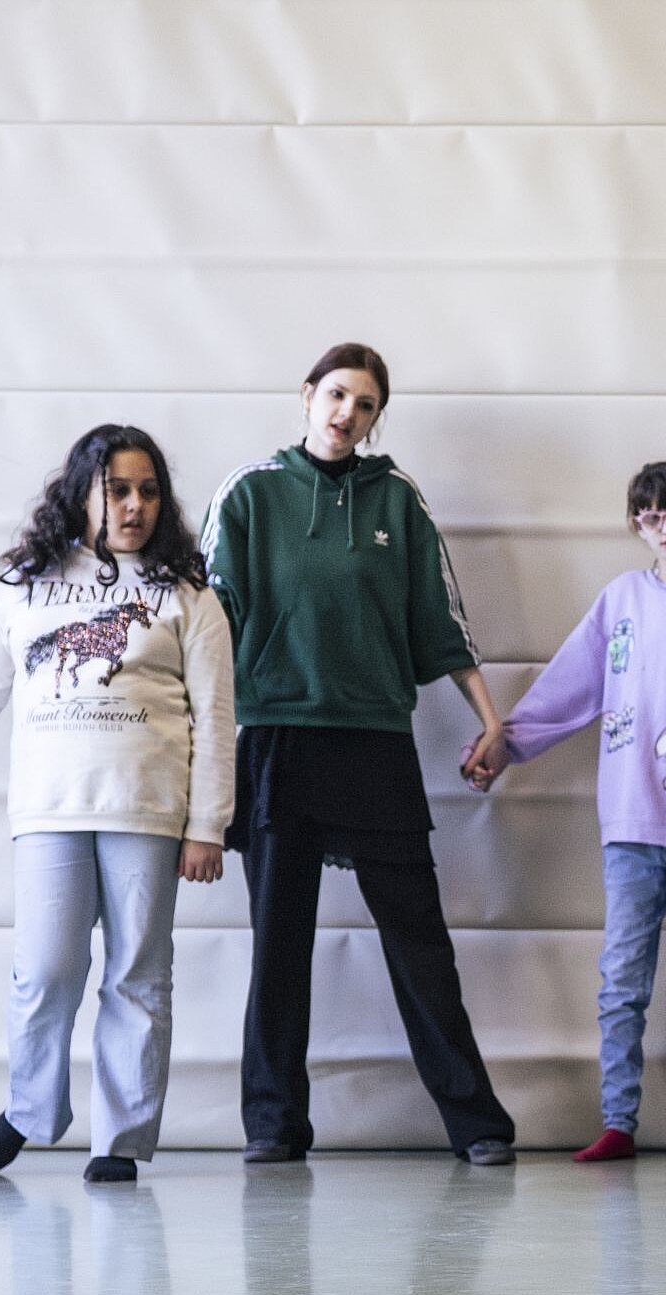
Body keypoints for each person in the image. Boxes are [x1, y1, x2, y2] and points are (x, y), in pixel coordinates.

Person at [205, 342, 518, 1166]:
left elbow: (438, 623)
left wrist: (491, 722)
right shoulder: (249, 493)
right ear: (307, 395)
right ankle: (273, 1122)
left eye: (366, 403)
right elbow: (206, 628)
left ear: (377, 417)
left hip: (375, 741)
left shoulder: (398, 500)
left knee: (420, 943)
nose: (348, 413)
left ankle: (477, 1122)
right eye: (337, 394)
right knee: (279, 943)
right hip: (277, 738)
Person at [0, 425, 236, 1183]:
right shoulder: (24, 585)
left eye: (148, 490)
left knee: (137, 976)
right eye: (117, 488)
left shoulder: (188, 597)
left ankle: (120, 1138)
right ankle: (31, 1110)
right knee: (46, 969)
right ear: (82, 492)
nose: (134, 505)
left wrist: (207, 825)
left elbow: (218, 720)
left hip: (148, 813)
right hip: (50, 811)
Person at [483, 461, 666, 1163]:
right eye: (650, 516)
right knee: (621, 981)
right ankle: (618, 1120)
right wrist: (505, 744)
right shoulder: (620, 600)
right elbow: (570, 686)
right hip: (628, 828)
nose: (665, 527)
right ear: (634, 525)